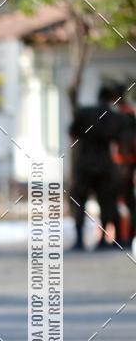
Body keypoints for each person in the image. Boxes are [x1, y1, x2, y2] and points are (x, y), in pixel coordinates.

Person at [69, 84, 124, 251]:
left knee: (79, 202)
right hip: (104, 165)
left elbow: (72, 132)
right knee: (106, 201)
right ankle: (103, 241)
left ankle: (79, 240)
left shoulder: (84, 113)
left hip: (84, 164)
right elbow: (119, 137)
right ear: (111, 98)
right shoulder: (113, 116)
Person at [110, 83, 136, 248]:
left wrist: (126, 165)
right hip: (122, 163)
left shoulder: (125, 115)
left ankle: (126, 236)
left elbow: (127, 142)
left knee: (126, 201)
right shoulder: (126, 114)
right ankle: (123, 236)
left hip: (124, 164)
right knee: (123, 201)